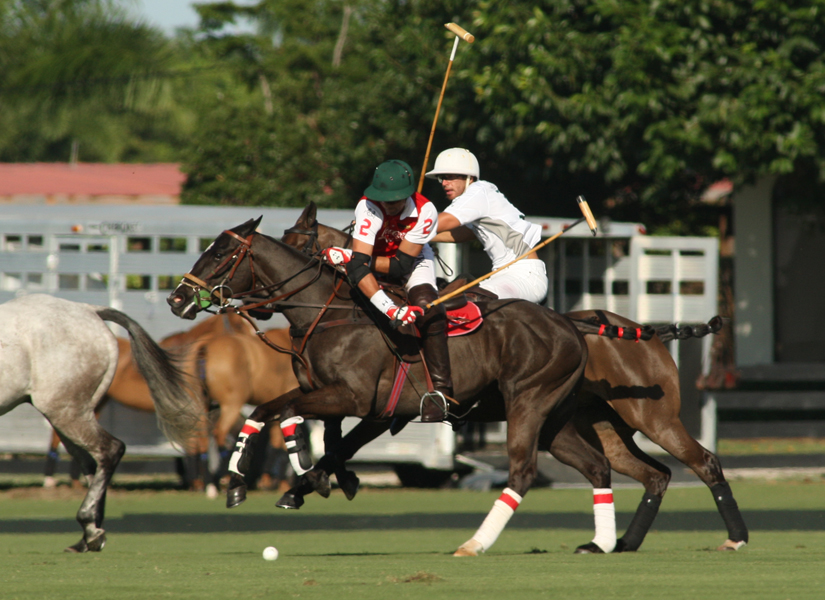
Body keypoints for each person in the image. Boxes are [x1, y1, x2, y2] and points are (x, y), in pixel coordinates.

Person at [321, 159, 452, 423]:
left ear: (409, 194)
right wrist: (390, 308)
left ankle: (441, 392)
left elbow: (399, 266)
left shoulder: (427, 211)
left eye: (396, 200)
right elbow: (359, 267)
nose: (389, 205)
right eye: (384, 199)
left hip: (412, 260)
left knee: (428, 305)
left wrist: (351, 257)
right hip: (372, 255)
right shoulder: (368, 206)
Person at [427, 148, 549, 304]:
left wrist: (403, 228)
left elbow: (446, 221)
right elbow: (463, 234)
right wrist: (420, 235)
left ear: (469, 177)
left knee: (463, 302)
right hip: (504, 276)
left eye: (450, 177)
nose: (444, 183)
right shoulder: (479, 203)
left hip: (524, 276)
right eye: (442, 178)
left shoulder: (478, 192)